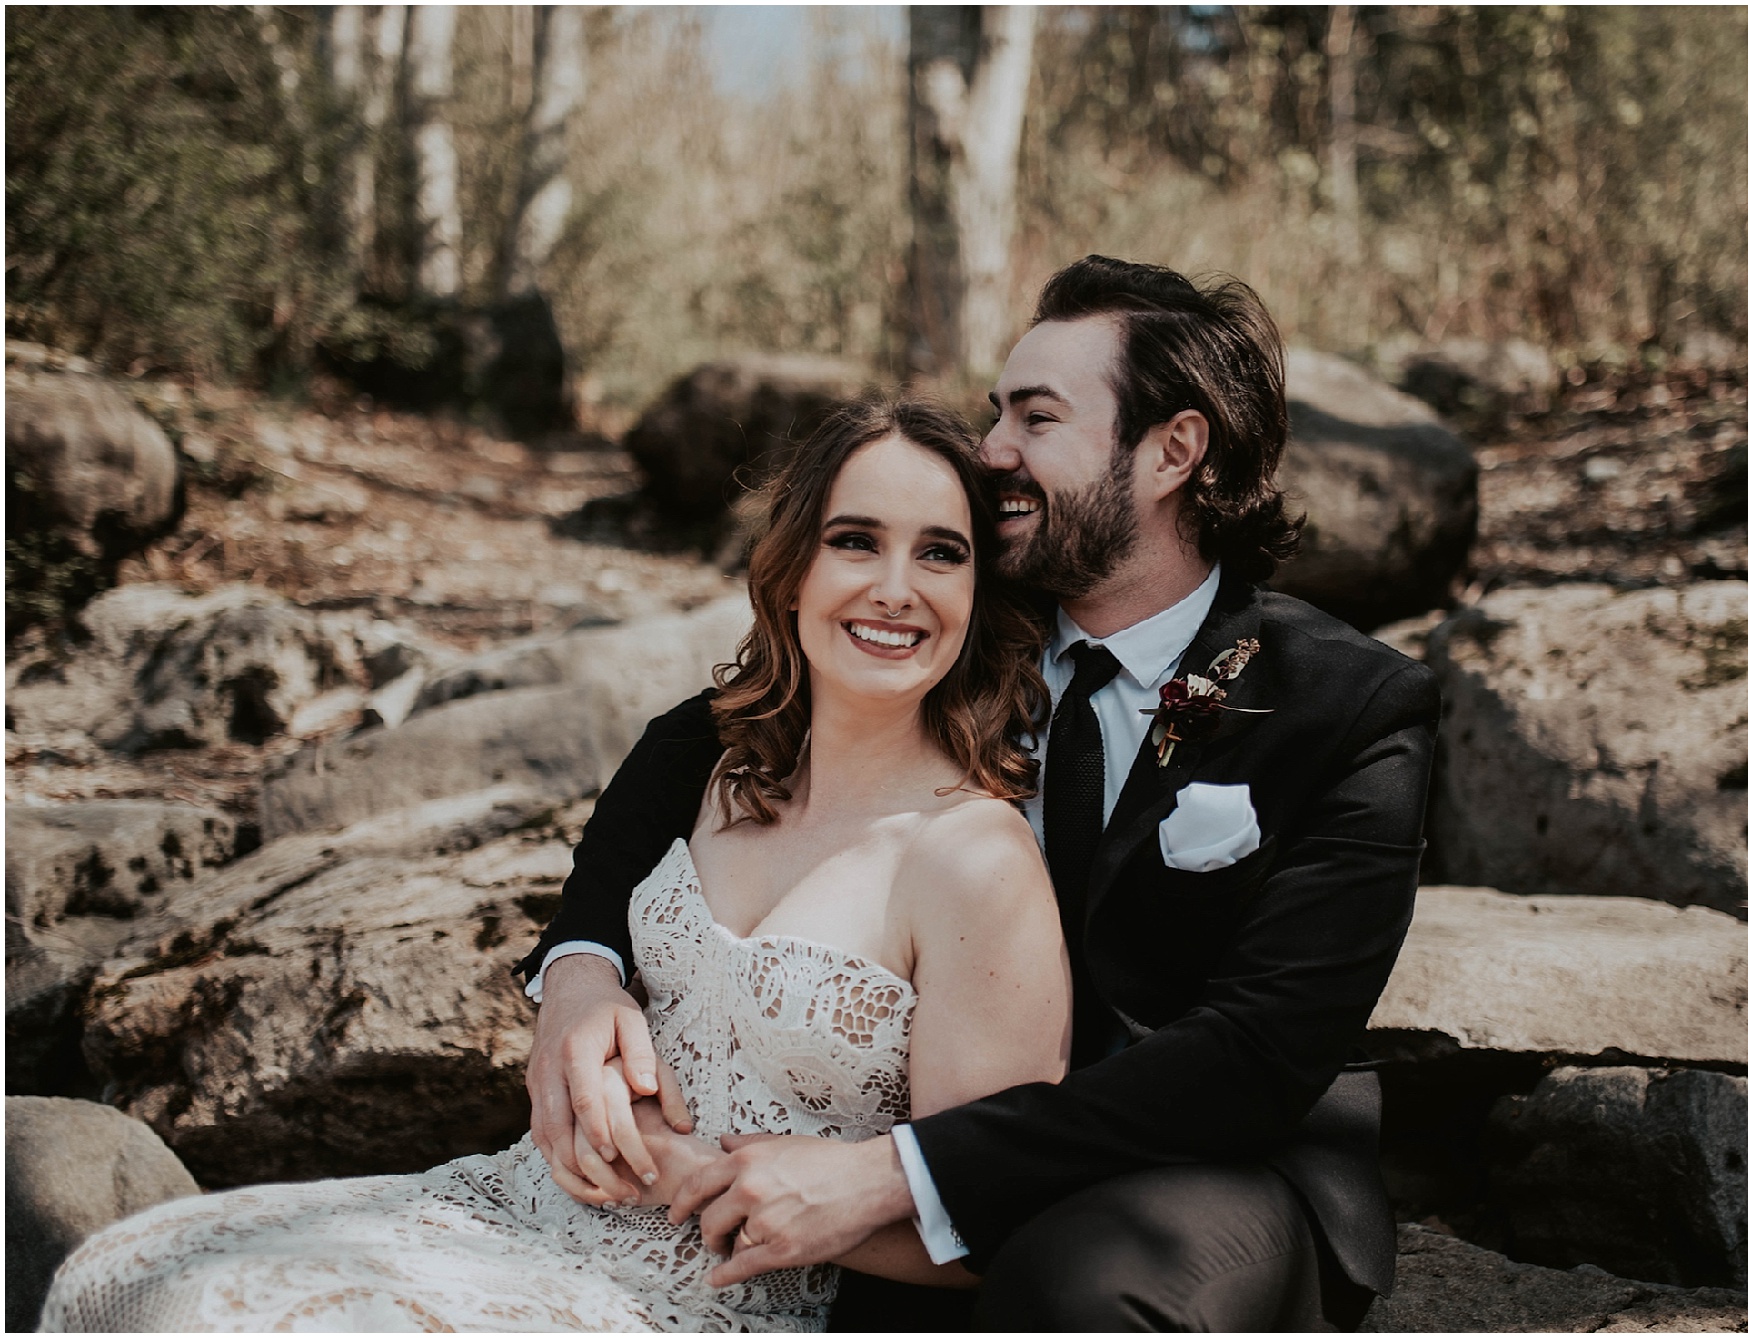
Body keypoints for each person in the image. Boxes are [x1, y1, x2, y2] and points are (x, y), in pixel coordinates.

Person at [525, 255, 1441, 1331]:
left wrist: (892, 1174)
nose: (992, 449)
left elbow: (1252, 1057)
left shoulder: (1343, 707)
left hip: (1203, 1160)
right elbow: (708, 735)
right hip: (925, 1123)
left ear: (1170, 451)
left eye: (1034, 418)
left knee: (1074, 1292)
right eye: (994, 411)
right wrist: (578, 971)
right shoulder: (959, 606)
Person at [38, 401, 1069, 1332]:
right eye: (856, 541)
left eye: (940, 553)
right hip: (514, 1208)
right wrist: (578, 981)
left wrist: (728, 1185)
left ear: (978, 591)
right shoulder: (717, 769)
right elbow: (592, 914)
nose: (896, 588)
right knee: (120, 1269)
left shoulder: (972, 861)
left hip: (705, 1300)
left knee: (216, 1320)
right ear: (793, 568)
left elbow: (988, 1231)